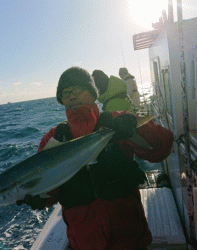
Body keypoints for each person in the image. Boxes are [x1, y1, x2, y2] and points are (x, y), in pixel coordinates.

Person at [16, 67, 174, 250]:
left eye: (77, 90)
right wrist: (38, 197)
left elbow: (162, 147)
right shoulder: (54, 138)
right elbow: (49, 188)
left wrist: (135, 128)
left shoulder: (116, 120)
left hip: (130, 238)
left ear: (93, 93)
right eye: (65, 93)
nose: (72, 96)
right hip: (84, 241)